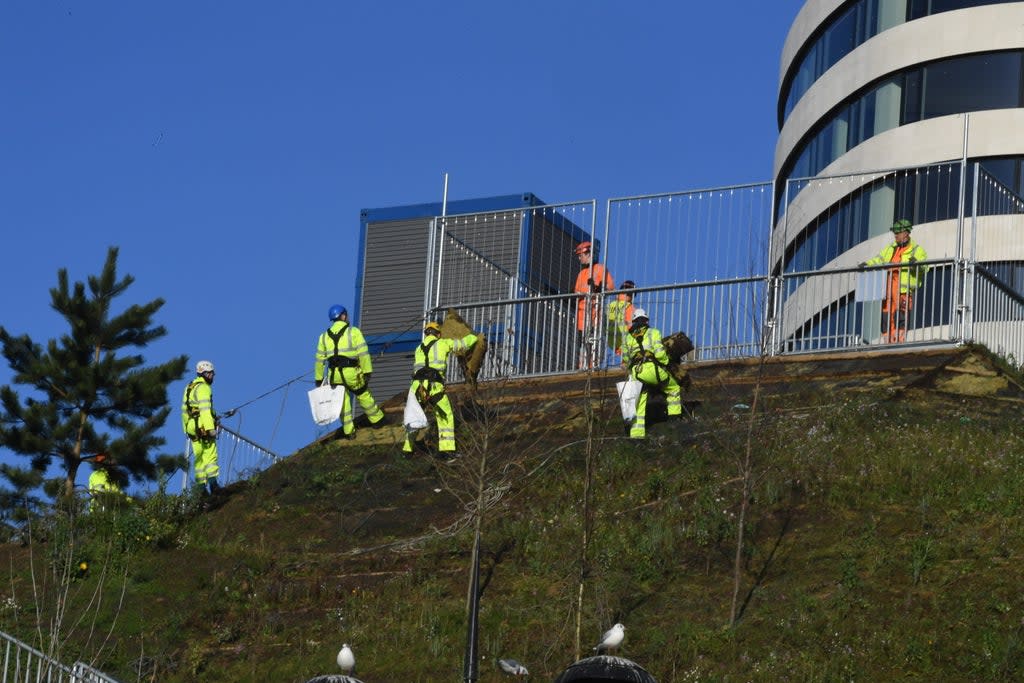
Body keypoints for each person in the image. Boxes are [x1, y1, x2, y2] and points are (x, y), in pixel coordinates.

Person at [403, 320, 478, 457]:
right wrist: (474, 336)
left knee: (414, 417)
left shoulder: (418, 348)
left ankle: (407, 450)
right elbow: (462, 345)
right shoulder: (442, 343)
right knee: (445, 415)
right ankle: (447, 449)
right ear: (438, 334)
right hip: (434, 386)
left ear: (426, 334)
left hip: (417, 388)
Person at [314, 304, 386, 439]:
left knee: (342, 403)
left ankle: (349, 432)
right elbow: (363, 353)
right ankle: (377, 420)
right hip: (351, 372)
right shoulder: (353, 332)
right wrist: (367, 371)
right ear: (343, 316)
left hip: (334, 375)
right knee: (363, 393)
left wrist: (318, 380)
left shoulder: (323, 337)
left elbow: (319, 360)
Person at [861, 219, 929, 344]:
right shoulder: (891, 248)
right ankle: (887, 342)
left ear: (906, 233)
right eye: (895, 233)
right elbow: (878, 259)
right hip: (887, 287)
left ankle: (899, 341)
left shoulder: (917, 250)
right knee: (886, 315)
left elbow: (925, 267)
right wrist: (867, 265)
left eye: (898, 232)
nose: (896, 235)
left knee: (901, 315)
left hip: (902, 288)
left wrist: (915, 265)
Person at [621, 308, 682, 439]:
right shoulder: (653, 332)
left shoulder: (627, 338)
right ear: (646, 320)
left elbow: (626, 359)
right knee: (673, 388)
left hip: (636, 374)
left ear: (633, 322)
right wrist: (666, 362)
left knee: (640, 405)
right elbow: (660, 354)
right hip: (651, 370)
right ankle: (674, 419)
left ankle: (636, 437)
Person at [181, 360, 221, 494]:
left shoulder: (190, 387)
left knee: (198, 458)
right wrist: (210, 429)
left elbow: (184, 410)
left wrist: (186, 429)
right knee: (210, 455)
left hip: (191, 427)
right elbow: (204, 409)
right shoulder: (204, 388)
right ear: (206, 374)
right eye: (211, 374)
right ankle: (214, 485)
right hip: (202, 425)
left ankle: (201, 490)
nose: (213, 377)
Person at [573, 241, 614, 369]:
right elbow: (576, 292)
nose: (580, 258)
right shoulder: (581, 274)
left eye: (581, 255)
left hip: (595, 314)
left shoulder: (600, 269)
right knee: (583, 344)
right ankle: (583, 367)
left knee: (595, 341)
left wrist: (599, 288)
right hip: (582, 316)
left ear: (588, 253)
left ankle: (593, 366)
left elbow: (610, 288)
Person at [606, 279, 635, 364]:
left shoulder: (610, 305)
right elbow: (632, 326)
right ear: (631, 294)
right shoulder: (629, 307)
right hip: (623, 339)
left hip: (611, 339)